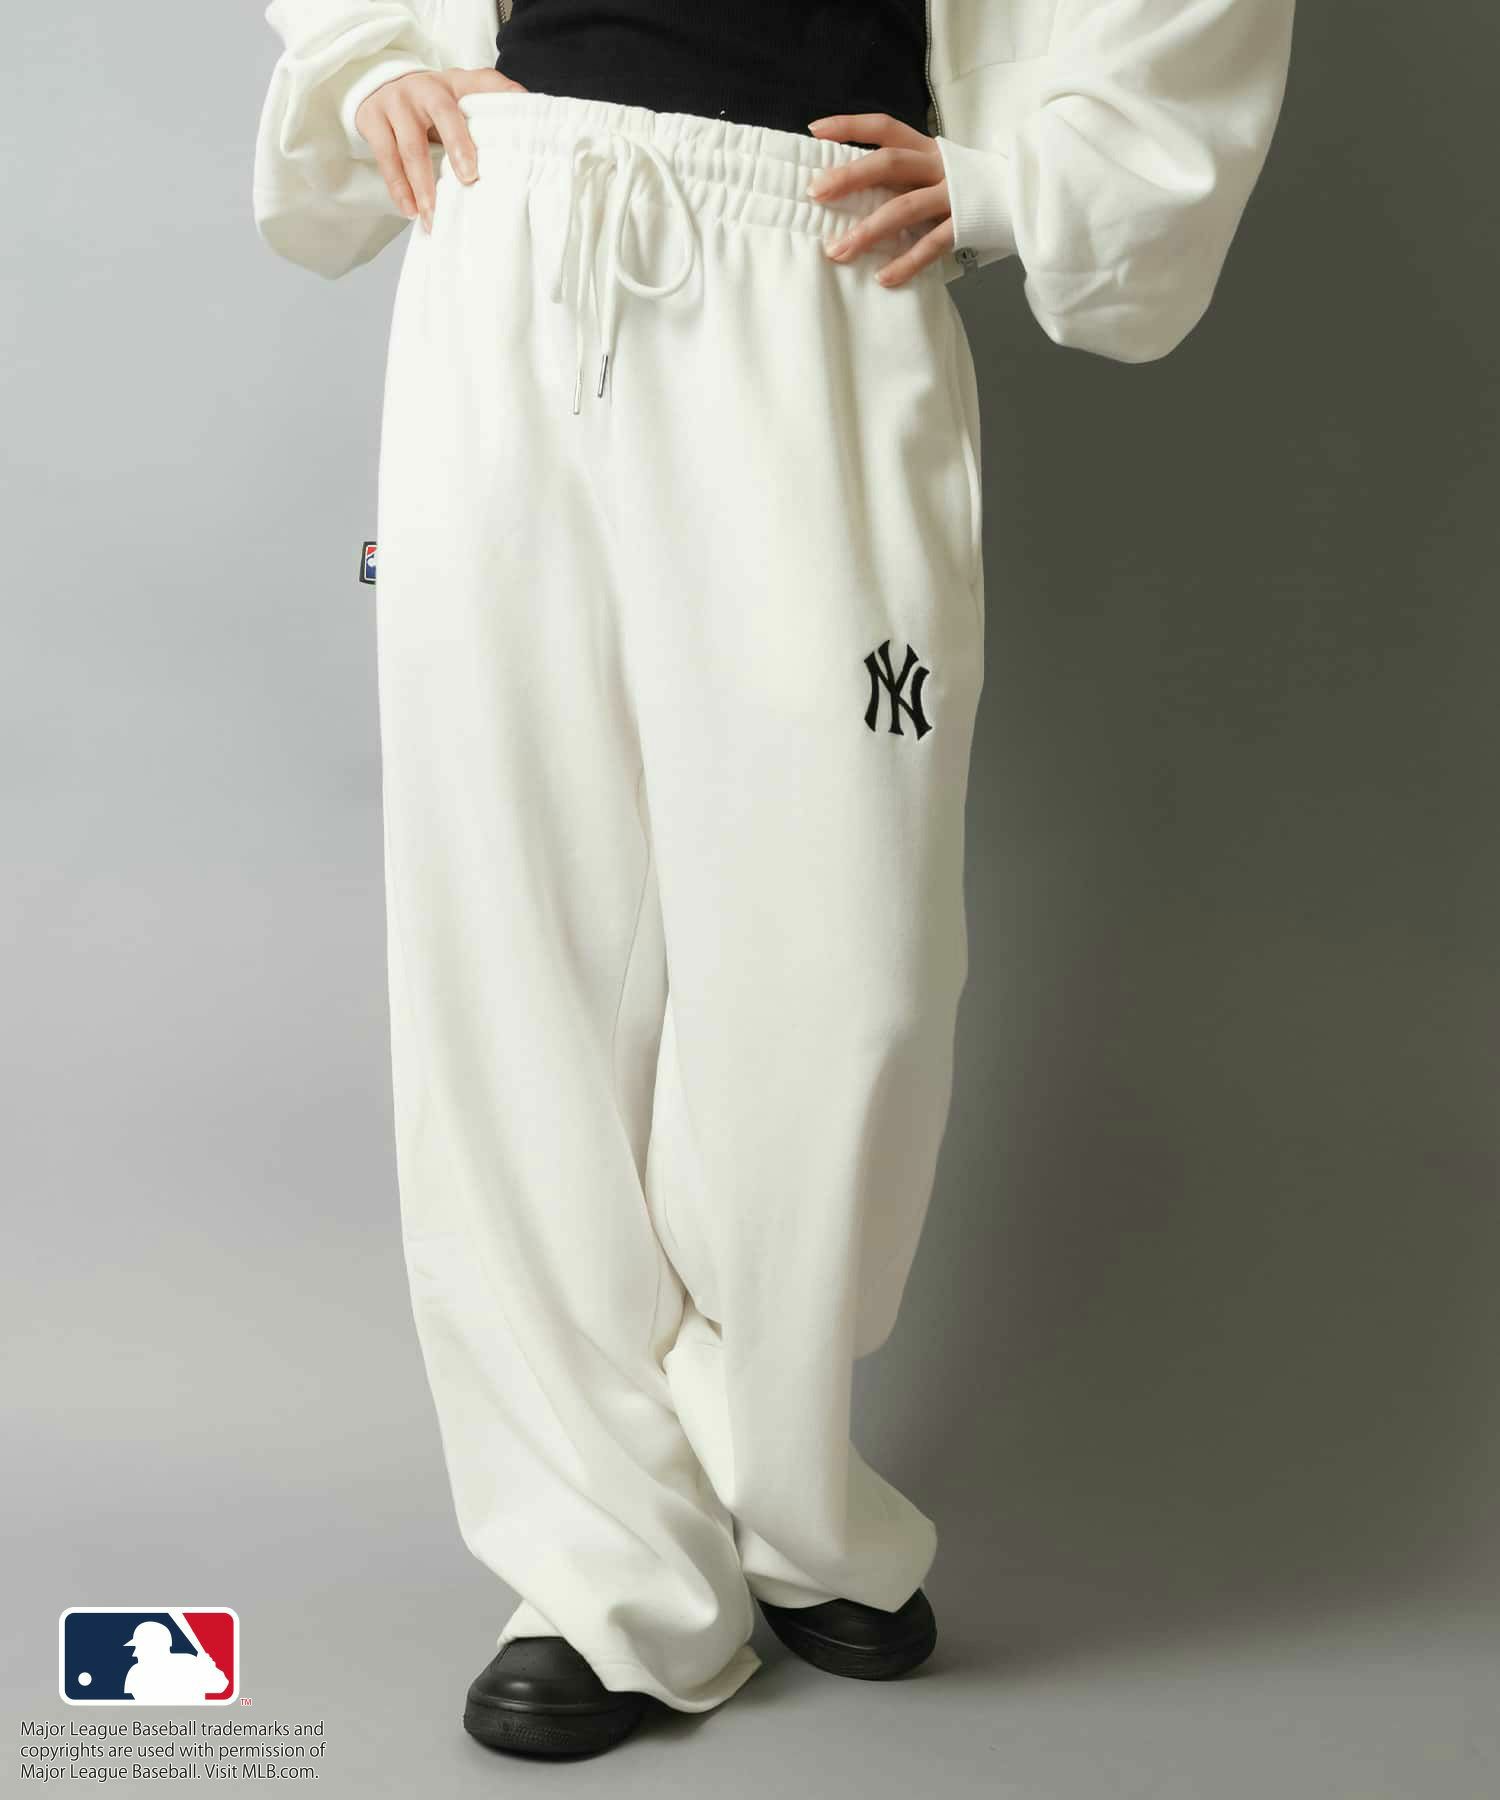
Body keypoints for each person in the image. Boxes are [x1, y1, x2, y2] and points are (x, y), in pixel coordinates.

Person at [253, 0, 1296, 1760]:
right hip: (516, 214)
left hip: (818, 255)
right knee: (512, 937)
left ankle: (772, 1476)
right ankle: (600, 1561)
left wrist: (1025, 179)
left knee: (849, 966)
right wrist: (371, 53)